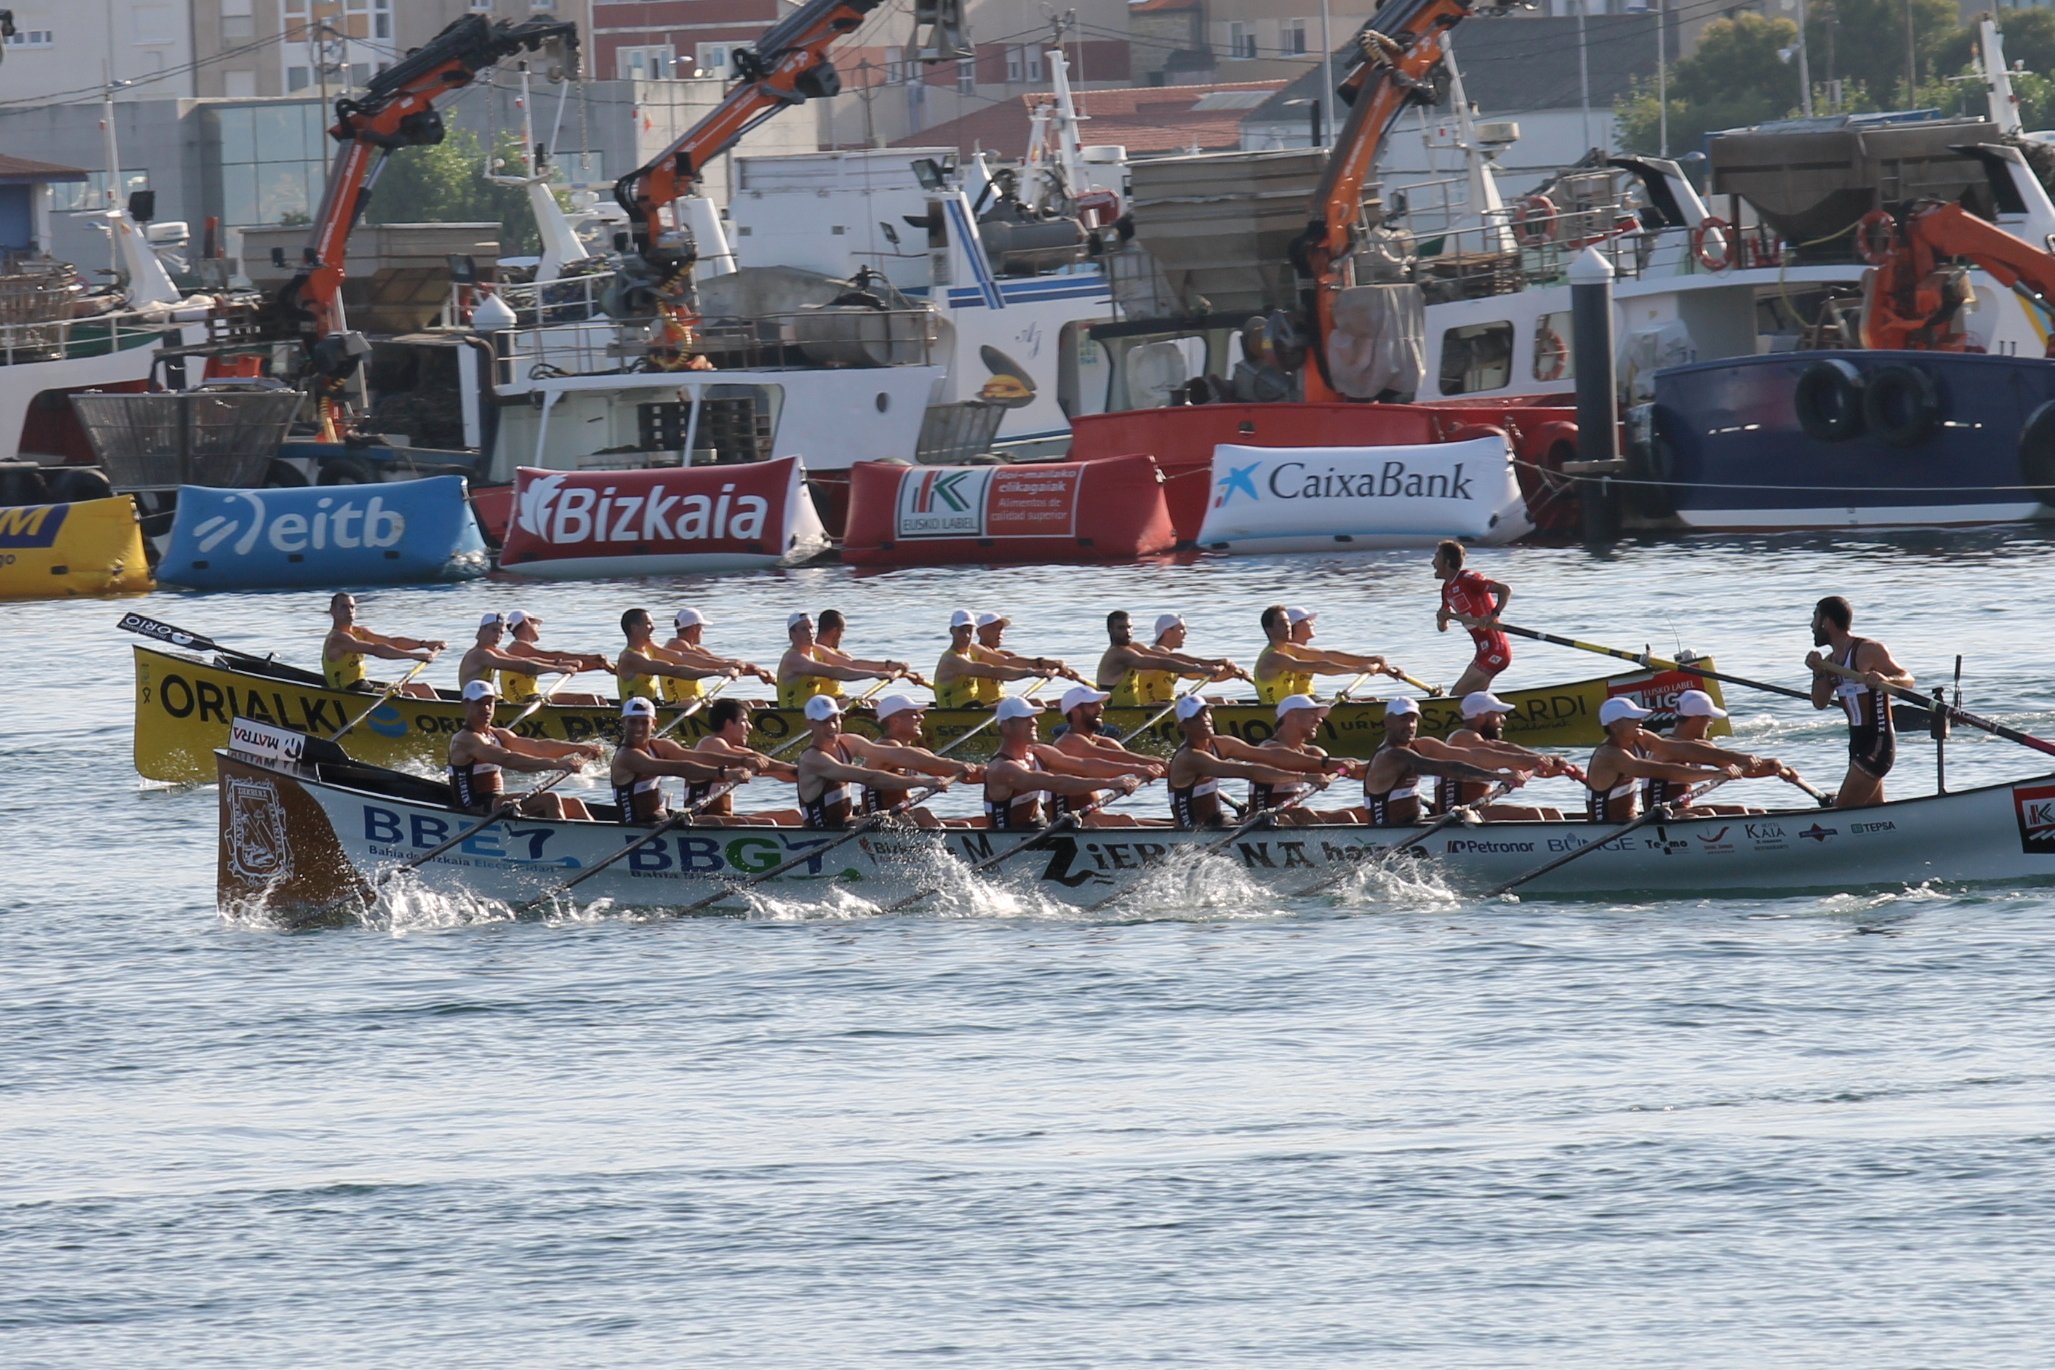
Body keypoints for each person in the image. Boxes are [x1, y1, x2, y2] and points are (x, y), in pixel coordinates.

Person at [1805, 595, 1915, 809]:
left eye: (1815, 618)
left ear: (1826, 622)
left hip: (1878, 742)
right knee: (1873, 811)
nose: (1811, 626)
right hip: (1856, 743)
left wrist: (1887, 680)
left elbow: (1908, 679)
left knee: (1843, 810)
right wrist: (1818, 673)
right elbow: (1819, 703)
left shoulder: (1868, 650)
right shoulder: (1829, 664)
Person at [1164, 694, 1330, 830]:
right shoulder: (1189, 758)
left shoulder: (1220, 743)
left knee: (1297, 816)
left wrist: (1333, 764)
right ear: (1183, 727)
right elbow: (1248, 772)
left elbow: (1268, 756)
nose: (1204, 719)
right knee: (1279, 820)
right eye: (1195, 717)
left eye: (1205, 713)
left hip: (1218, 822)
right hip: (1192, 832)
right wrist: (1304, 777)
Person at [983, 695, 1148, 830]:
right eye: (1025, 718)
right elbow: (1055, 783)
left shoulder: (1039, 752)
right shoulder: (1003, 768)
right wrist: (1109, 783)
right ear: (1006, 726)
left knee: (1124, 820)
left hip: (1040, 829)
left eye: (1033, 717)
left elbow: (1084, 765)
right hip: (1008, 839)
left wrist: (1136, 769)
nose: (1034, 722)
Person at [446, 679, 602, 820]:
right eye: (479, 703)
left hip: (497, 801)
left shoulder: (498, 734)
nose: (486, 708)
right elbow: (508, 759)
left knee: (574, 804)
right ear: (466, 704)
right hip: (474, 808)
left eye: (490, 702)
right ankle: (561, 845)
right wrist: (558, 764)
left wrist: (580, 748)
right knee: (549, 799)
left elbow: (538, 747)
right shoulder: (465, 739)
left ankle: (601, 841)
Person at [1360, 697, 1526, 827]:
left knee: (1466, 814)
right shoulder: (1392, 755)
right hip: (1391, 834)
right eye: (1404, 719)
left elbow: (1462, 756)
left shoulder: (1410, 748)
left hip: (1415, 826)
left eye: (1414, 719)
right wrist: (1498, 776)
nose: (1411, 725)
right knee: (1469, 818)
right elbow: (1447, 768)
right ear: (1387, 723)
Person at [794, 694, 947, 831]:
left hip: (848, 824)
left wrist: (954, 766)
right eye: (824, 722)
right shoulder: (812, 759)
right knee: (921, 814)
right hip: (824, 833)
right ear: (810, 724)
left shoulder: (849, 742)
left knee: (901, 817)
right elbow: (868, 777)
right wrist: (922, 782)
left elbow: (895, 754)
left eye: (835, 719)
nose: (832, 727)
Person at [1643, 689, 1798, 816]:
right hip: (1658, 814)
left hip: (1682, 809)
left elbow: (1743, 769)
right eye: (1709, 718)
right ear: (1697, 718)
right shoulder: (1666, 747)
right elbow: (1707, 755)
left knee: (1746, 812)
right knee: (1707, 813)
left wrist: (1775, 768)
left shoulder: (1704, 747)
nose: (1711, 723)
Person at [1581, 697, 1737, 823]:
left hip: (1631, 823)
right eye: (1633, 718)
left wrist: (1737, 758)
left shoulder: (1639, 738)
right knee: (1691, 818)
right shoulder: (1609, 755)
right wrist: (1713, 774)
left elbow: (1680, 748)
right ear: (1615, 726)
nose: (1640, 720)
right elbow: (1662, 771)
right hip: (1607, 829)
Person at [851, 693, 987, 829]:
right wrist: (959, 765)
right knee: (923, 814)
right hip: (877, 821)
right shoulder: (887, 746)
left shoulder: (913, 752)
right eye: (914, 714)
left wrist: (992, 773)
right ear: (895, 721)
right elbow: (934, 764)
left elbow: (951, 771)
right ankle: (944, 848)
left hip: (899, 819)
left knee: (974, 823)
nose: (921, 717)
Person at [1433, 691, 1573, 822]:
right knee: (1531, 814)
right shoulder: (1460, 738)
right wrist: (1535, 759)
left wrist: (1559, 766)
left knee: (1552, 813)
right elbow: (1497, 751)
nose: (1503, 719)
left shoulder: (1491, 746)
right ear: (1480, 716)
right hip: (1454, 817)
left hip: (1476, 814)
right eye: (1497, 714)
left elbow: (1510, 750)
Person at [610, 697, 750, 824]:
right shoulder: (626, 757)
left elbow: (699, 757)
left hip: (662, 823)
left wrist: (742, 761)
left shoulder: (661, 746)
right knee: (716, 822)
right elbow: (680, 768)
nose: (638, 728)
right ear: (623, 722)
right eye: (633, 722)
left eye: (644, 722)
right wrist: (724, 773)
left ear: (654, 723)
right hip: (636, 828)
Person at [1047, 684, 1170, 827]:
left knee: (1170, 824)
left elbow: (1128, 758)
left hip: (1090, 817)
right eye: (1093, 705)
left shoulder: (1105, 742)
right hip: (1064, 820)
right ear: (1075, 712)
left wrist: (1168, 767)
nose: (1101, 708)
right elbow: (1111, 759)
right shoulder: (1068, 743)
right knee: (1125, 821)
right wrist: (1142, 767)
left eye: (1100, 703)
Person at [1252, 604, 1401, 705]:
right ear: (1269, 630)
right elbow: (1318, 666)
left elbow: (1326, 656)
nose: (1287, 627)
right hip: (1283, 714)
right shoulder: (1272, 658)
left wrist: (1371, 660)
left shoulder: (1291, 648)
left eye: (1287, 623)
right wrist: (1355, 670)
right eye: (1281, 623)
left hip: (1300, 707)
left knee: (1372, 700)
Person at [685, 697, 801, 826]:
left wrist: (803, 774)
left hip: (723, 821)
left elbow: (777, 772)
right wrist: (793, 768)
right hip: (700, 821)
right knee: (768, 823)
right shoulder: (710, 744)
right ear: (729, 723)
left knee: (794, 816)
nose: (750, 727)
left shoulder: (734, 751)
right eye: (744, 721)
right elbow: (751, 756)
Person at [1253, 695, 1365, 825]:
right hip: (1261, 818)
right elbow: (1294, 761)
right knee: (1303, 813)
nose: (1320, 720)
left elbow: (1356, 772)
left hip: (1289, 815)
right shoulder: (1269, 749)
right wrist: (1336, 764)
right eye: (1312, 714)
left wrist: (1381, 766)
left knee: (1351, 815)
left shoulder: (1311, 752)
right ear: (1292, 715)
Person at [1096, 610, 1243, 708]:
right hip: (1121, 715)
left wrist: (1214, 666)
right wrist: (1201, 668)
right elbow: (1162, 662)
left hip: (1136, 710)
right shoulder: (1117, 654)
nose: (1127, 632)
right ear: (1110, 630)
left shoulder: (1134, 647)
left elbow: (1168, 657)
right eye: (1121, 628)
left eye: (1130, 627)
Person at [777, 611, 920, 710]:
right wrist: (873, 675)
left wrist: (888, 665)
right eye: (803, 629)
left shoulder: (818, 649)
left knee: (872, 704)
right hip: (797, 714)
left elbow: (851, 664)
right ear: (792, 634)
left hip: (816, 709)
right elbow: (835, 672)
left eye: (811, 628)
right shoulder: (794, 658)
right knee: (862, 705)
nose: (810, 633)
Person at [323, 591, 443, 698]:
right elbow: (375, 650)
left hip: (364, 684)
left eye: (352, 607)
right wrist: (413, 656)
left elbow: (393, 642)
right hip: (348, 691)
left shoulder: (360, 632)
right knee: (408, 696)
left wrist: (424, 644)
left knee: (424, 688)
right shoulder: (337, 638)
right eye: (344, 607)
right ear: (332, 611)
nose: (349, 611)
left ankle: (451, 719)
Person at [934, 609, 1060, 709]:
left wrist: (1040, 663)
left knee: (1036, 703)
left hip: (975, 708)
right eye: (961, 631)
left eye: (969, 631)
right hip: (958, 714)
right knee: (1032, 705)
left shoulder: (974, 649)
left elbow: (1005, 661)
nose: (966, 636)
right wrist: (1030, 672)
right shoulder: (951, 659)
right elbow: (991, 671)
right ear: (952, 631)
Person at [1433, 540, 1513, 697]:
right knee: (1472, 701)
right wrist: (1441, 619)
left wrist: (1493, 615)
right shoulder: (1446, 589)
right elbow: (1443, 628)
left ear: (1447, 562)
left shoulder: (1468, 579)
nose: (1432, 563)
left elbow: (1505, 590)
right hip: (1482, 652)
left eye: (1436, 557)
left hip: (1496, 649)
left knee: (1456, 696)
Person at [617, 607, 739, 706]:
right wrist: (717, 672)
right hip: (634, 712)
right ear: (634, 628)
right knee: (688, 703)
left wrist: (727, 665)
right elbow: (674, 670)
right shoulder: (630, 657)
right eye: (648, 624)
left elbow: (682, 657)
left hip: (652, 705)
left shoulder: (649, 647)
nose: (654, 628)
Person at [659, 607, 775, 708]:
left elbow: (722, 662)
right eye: (702, 627)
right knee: (748, 707)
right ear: (695, 628)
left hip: (698, 703)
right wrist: (728, 666)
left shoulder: (696, 650)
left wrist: (759, 672)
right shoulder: (674, 646)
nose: (703, 631)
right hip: (680, 706)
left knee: (759, 704)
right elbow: (708, 662)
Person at [499, 610, 614, 707]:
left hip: (534, 697)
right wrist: (591, 658)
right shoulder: (517, 647)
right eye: (537, 623)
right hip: (523, 701)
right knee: (589, 700)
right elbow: (553, 657)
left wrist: (598, 665)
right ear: (526, 621)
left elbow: (561, 663)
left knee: (597, 700)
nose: (539, 627)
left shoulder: (523, 649)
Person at [973, 612, 1079, 687]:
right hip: (981, 705)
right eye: (993, 628)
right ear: (979, 632)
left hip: (999, 701)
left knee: (1061, 702)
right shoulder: (975, 650)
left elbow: (1025, 664)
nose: (999, 632)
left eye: (1001, 628)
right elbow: (1008, 662)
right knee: (1038, 703)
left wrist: (1065, 671)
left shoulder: (1004, 653)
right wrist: (1041, 662)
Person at [457, 614, 546, 694]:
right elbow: (518, 665)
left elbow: (522, 660)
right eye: (494, 630)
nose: (498, 635)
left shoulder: (493, 651)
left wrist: (554, 663)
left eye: (501, 632)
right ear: (482, 630)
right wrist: (554, 669)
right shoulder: (479, 654)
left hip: (486, 697)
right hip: (474, 703)